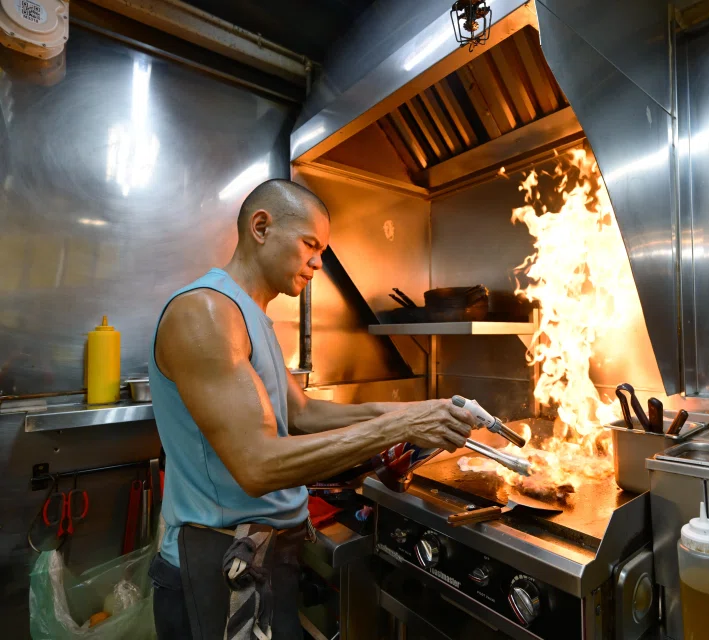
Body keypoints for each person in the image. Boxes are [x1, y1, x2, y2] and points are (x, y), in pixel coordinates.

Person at [146, 179, 477, 639]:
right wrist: (401, 424)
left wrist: (419, 411)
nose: (318, 262)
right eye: (310, 244)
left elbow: (302, 413)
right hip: (214, 572)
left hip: (264, 555)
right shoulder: (205, 312)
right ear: (261, 227)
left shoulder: (250, 315)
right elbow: (257, 464)